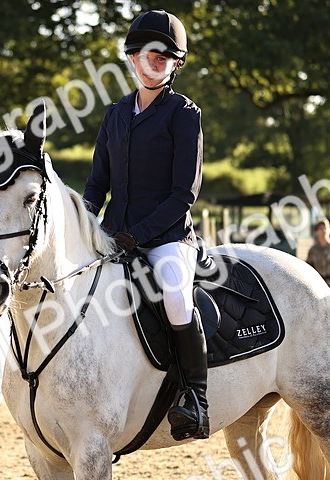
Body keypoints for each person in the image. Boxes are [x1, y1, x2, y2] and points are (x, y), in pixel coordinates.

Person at [82, 9, 209, 441]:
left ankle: (196, 395)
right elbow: (97, 183)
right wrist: (85, 223)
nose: (153, 63)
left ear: (175, 64)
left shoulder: (184, 115)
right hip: (115, 234)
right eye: (146, 55)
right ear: (133, 58)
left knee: (173, 292)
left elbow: (184, 195)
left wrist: (138, 235)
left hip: (166, 238)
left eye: (163, 57)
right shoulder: (115, 114)